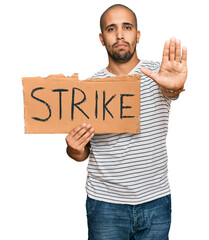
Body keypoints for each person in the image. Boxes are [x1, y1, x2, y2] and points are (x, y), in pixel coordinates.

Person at [65, 4, 187, 240]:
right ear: (102, 38)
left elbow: (172, 91)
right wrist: (73, 148)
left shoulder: (160, 74)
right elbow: (82, 152)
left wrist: (176, 87)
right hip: (105, 205)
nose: (120, 35)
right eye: (111, 29)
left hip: (156, 202)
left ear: (137, 35)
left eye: (127, 27)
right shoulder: (89, 89)